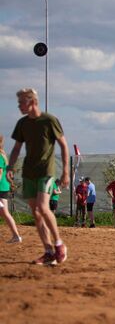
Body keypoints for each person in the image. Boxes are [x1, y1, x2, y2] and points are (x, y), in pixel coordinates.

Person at [7, 88, 69, 265]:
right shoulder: (22, 123)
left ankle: (59, 245)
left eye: (21, 103)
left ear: (32, 102)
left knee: (43, 207)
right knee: (35, 212)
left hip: (46, 171)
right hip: (29, 172)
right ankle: (48, 251)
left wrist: (65, 171)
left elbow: (63, 146)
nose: (19, 106)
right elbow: (17, 148)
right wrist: (10, 167)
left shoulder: (49, 120)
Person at [0, 134, 22, 244]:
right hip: (3, 186)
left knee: (5, 213)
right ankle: (16, 236)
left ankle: (16, 236)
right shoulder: (3, 154)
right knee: (4, 213)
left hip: (0, 187)